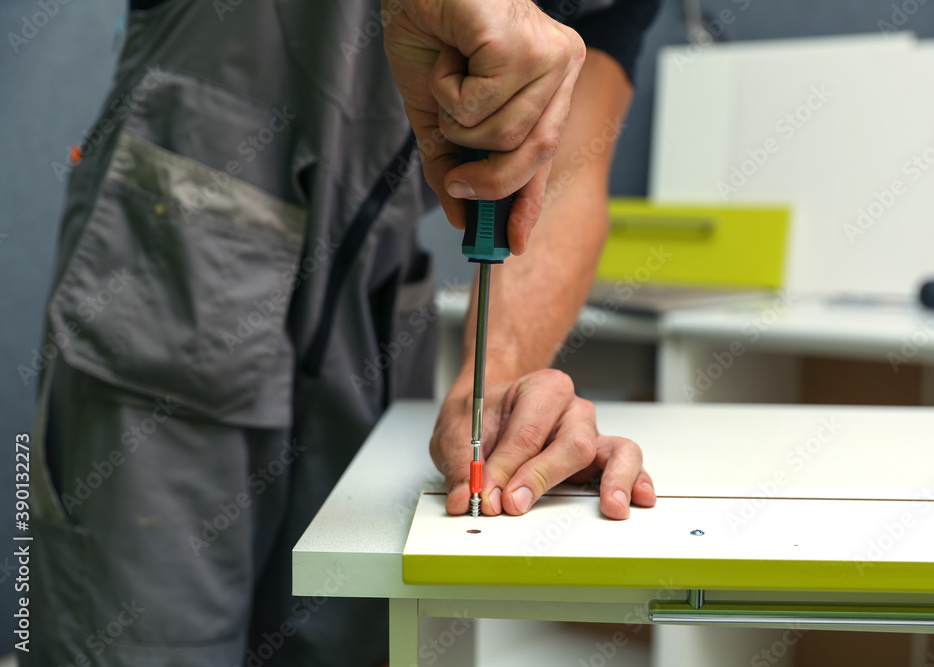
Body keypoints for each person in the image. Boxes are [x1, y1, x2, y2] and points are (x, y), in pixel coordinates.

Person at [28, 0, 661, 664]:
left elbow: (569, 168)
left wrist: (495, 376)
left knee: (347, 635)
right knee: (146, 636)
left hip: (371, 324)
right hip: (177, 277)